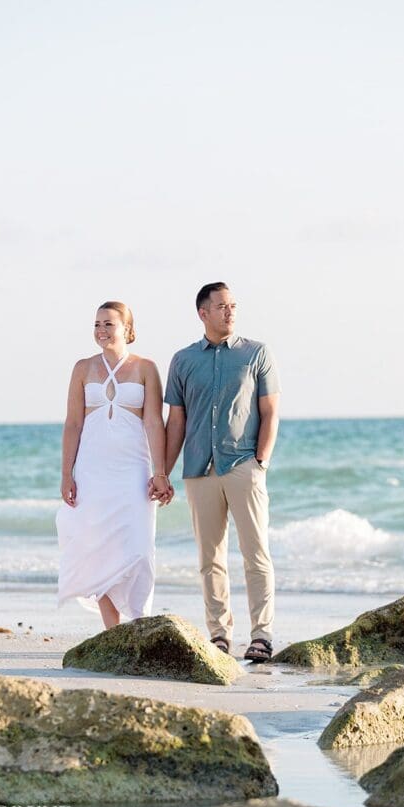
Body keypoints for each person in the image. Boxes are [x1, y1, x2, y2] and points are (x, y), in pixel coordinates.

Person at [159, 282, 280, 662]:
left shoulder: (256, 353)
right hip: (198, 469)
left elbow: (270, 411)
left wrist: (260, 460)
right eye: (221, 306)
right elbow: (175, 421)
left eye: (233, 305)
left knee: (255, 553)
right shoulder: (182, 360)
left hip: (243, 465)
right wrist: (163, 471)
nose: (229, 311)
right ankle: (219, 635)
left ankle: (261, 634)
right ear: (203, 313)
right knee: (209, 557)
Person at [56, 301, 172, 628]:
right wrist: (67, 474)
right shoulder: (82, 368)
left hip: (133, 468)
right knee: (98, 545)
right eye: (97, 324)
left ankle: (138, 619)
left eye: (109, 324)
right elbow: (73, 423)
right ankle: (111, 629)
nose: (101, 330)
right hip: (91, 469)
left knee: (136, 546)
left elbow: (153, 422)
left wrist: (159, 472)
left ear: (128, 329)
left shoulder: (146, 368)